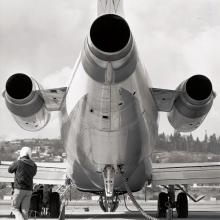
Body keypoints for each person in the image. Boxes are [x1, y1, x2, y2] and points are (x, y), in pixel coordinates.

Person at [8, 147, 37, 220]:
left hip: (19, 189)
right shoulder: (34, 165)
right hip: (29, 190)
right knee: (24, 211)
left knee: (14, 209)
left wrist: (17, 160)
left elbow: (10, 170)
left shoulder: (18, 162)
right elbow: (33, 174)